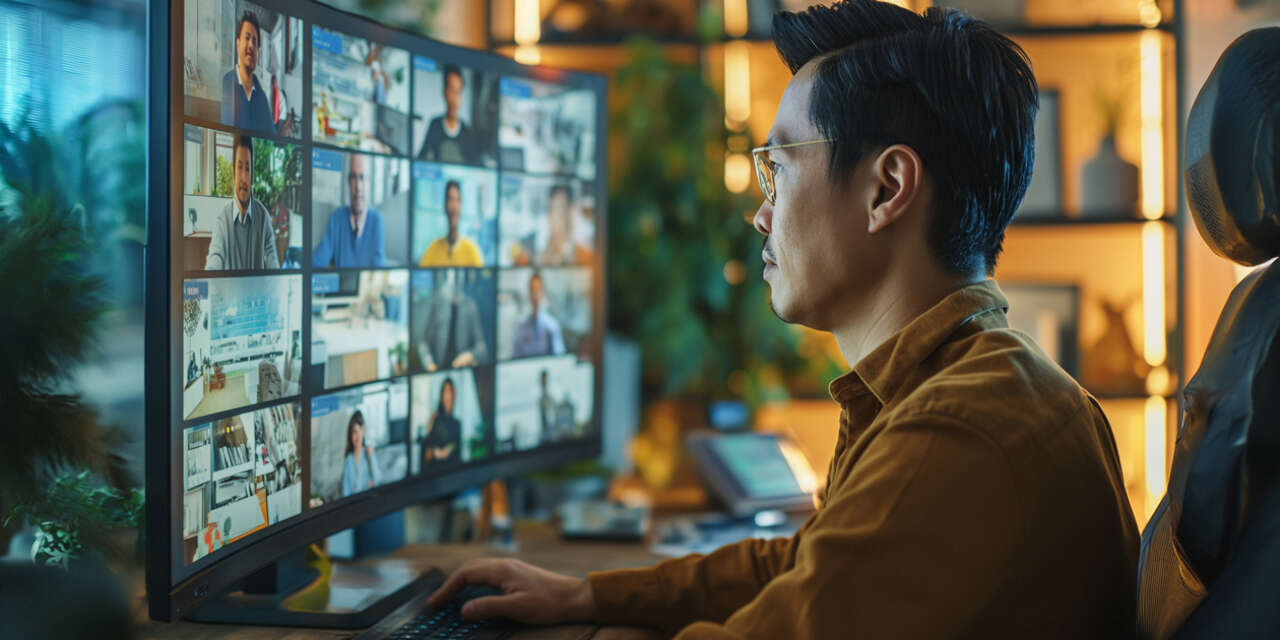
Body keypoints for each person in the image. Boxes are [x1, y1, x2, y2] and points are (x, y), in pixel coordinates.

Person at [427, 3, 1140, 638]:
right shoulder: (959, 387)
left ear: (886, 188)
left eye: (778, 167)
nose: (759, 213)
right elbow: (807, 562)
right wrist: (588, 595)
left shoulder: (960, 434)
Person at [205, 134, 278, 270]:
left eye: (247, 168)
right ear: (233, 171)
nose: (244, 177)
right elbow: (215, 260)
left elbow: (273, 264)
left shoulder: (263, 217)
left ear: (252, 172)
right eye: (239, 167)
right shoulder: (222, 221)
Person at [313, 153, 387, 267]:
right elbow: (319, 260)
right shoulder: (337, 217)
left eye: (362, 178)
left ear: (368, 183)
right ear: (348, 182)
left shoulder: (376, 220)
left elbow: (379, 269)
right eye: (353, 177)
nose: (358, 187)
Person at [417, 270, 488, 371]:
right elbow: (423, 343)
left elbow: (481, 347)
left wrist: (470, 355)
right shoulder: (436, 304)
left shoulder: (470, 306)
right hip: (438, 369)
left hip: (461, 370)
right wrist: (429, 364)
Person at [220, 11, 275, 135]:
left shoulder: (261, 94)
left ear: (258, 52)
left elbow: (272, 133)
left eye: (255, 41)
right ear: (238, 43)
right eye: (247, 37)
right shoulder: (226, 83)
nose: (251, 45)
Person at [417, 65, 479, 165]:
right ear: (445, 92)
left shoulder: (466, 131)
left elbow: (477, 165)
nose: (455, 98)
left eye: (458, 92)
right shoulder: (435, 125)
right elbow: (421, 159)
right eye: (451, 90)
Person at [418, 180, 484, 267]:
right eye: (450, 199)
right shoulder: (432, 249)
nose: (454, 206)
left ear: (461, 206)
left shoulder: (472, 251)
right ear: (445, 206)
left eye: (457, 200)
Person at [512, 271, 565, 358]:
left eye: (538, 289)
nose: (535, 294)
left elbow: (559, 358)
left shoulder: (552, 325)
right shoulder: (520, 326)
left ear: (543, 292)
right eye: (532, 290)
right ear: (528, 293)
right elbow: (515, 357)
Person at [538, 184, 593, 266]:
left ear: (571, 212)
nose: (556, 217)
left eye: (560, 209)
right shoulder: (540, 257)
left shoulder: (585, 254)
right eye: (552, 210)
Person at [339, 410, 379, 498]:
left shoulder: (368, 453)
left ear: (363, 430)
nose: (356, 436)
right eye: (353, 432)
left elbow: (378, 480)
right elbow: (345, 492)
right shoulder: (348, 460)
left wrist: (371, 456)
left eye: (358, 431)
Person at [422, 378, 461, 466]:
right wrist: (436, 453)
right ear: (441, 395)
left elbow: (457, 451)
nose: (448, 395)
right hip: (434, 470)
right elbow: (426, 452)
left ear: (454, 394)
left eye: (450, 391)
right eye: (445, 391)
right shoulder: (435, 418)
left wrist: (449, 449)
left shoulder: (457, 424)